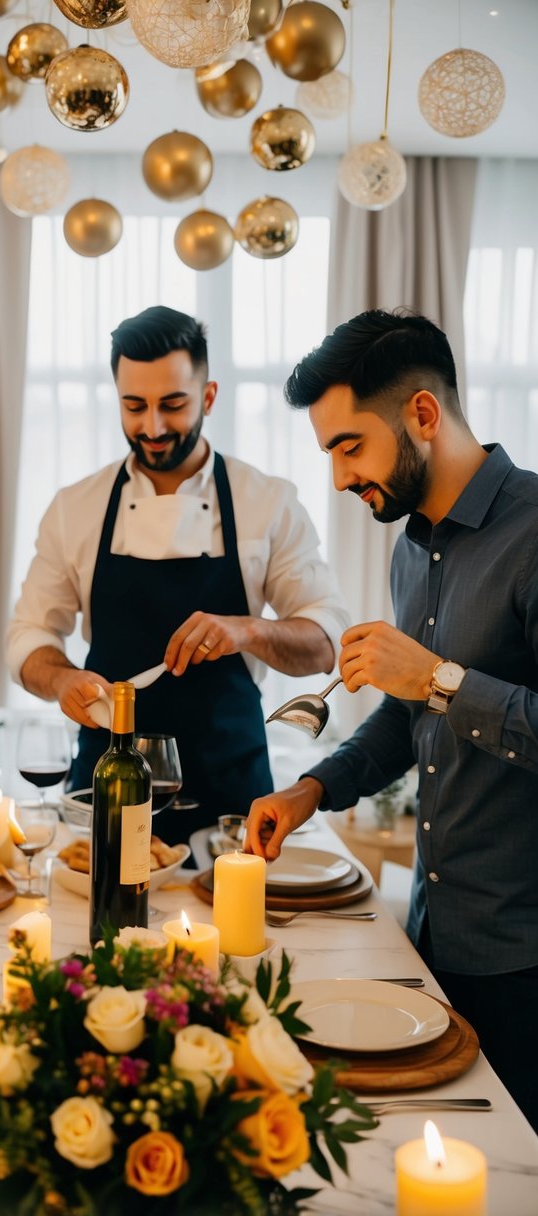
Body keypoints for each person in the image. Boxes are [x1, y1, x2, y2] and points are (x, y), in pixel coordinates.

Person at [244, 308, 538, 1132]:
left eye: (348, 447)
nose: (338, 478)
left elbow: (433, 690)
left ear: (420, 415)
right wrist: (308, 791)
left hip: (524, 957)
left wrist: (440, 680)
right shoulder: (410, 546)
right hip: (430, 940)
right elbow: (406, 717)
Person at [7, 305, 348, 846]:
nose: (153, 427)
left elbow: (327, 641)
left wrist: (247, 630)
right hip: (107, 792)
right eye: (134, 406)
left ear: (208, 397)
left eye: (173, 404)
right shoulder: (76, 508)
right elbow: (28, 640)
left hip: (234, 802)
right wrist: (63, 680)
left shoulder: (269, 503)